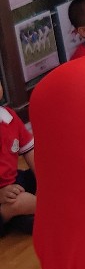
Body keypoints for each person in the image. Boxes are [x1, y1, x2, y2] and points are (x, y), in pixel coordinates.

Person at [0, 79, 35, 233]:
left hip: (13, 180)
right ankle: (10, 212)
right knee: (19, 203)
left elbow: (29, 151)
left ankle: (20, 217)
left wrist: (44, 181)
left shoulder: (9, 117)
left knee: (52, 173)